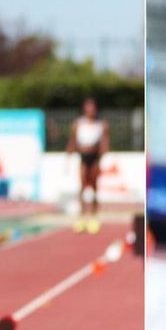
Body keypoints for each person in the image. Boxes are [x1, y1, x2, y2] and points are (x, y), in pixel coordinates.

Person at [67, 97, 110, 233]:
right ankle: (81, 218)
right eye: (88, 107)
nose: (90, 110)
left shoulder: (101, 124)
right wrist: (69, 155)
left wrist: (101, 155)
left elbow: (105, 143)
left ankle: (94, 217)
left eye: (92, 107)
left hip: (95, 157)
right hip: (83, 157)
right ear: (84, 108)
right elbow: (72, 142)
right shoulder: (77, 124)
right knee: (82, 186)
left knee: (94, 187)